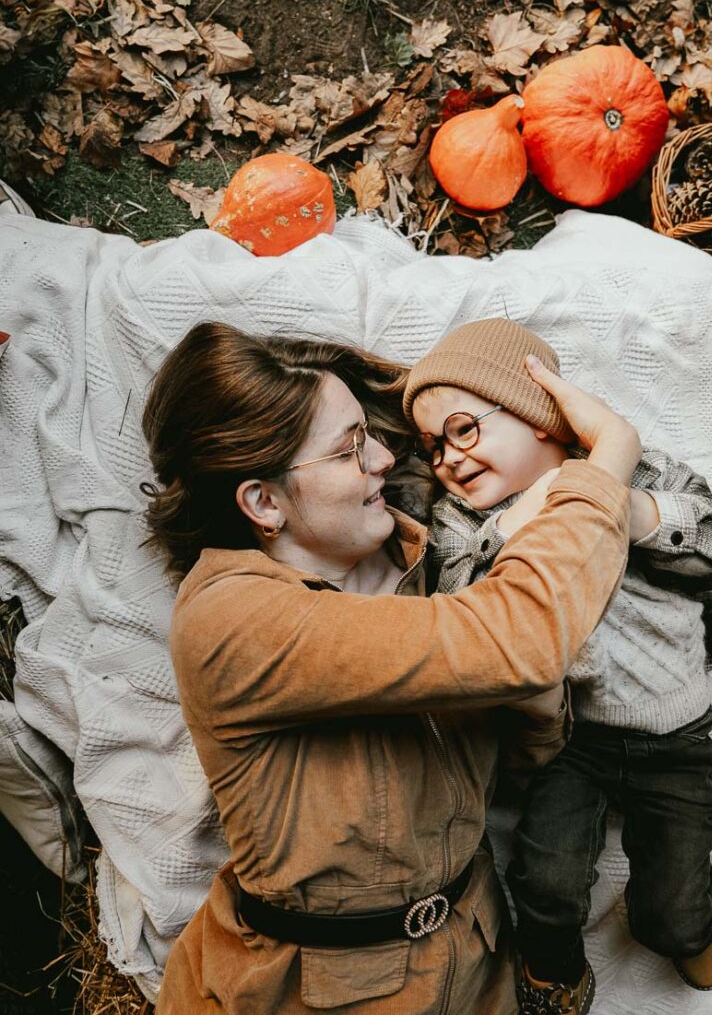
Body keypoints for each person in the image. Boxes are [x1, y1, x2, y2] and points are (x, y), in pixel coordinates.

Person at [141, 319, 638, 1015]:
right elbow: (518, 640)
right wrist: (604, 465)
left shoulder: (434, 557)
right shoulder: (230, 619)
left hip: (474, 954)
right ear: (263, 502)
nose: (380, 460)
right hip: (316, 989)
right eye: (349, 450)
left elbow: (527, 744)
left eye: (369, 436)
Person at [402, 317, 712, 1015]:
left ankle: (691, 924)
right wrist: (508, 531)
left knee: (674, 904)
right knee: (545, 879)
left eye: (463, 429)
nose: (446, 457)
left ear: (540, 416)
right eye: (432, 445)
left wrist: (625, 506)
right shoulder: (459, 524)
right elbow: (454, 618)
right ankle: (553, 968)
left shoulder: (641, 471)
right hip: (565, 741)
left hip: (674, 736)